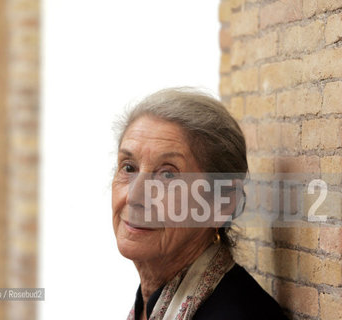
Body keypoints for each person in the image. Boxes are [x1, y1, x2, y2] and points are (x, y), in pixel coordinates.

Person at [111, 88, 288, 320]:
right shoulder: (149, 304)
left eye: (167, 175)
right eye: (129, 168)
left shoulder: (239, 314)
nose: (134, 197)